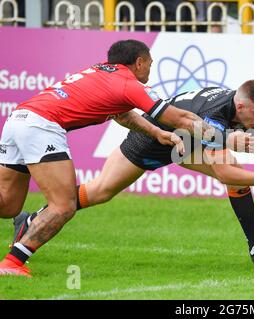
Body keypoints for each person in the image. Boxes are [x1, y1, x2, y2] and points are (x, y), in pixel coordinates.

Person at [10, 80, 254, 275]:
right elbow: (225, 173)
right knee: (101, 191)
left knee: (233, 170)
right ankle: (32, 218)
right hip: (151, 141)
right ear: (241, 107)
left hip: (185, 143)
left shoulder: (243, 112)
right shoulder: (217, 114)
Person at [0, 39, 222, 277]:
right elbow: (181, 119)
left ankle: (16, 252)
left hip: (18, 119)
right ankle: (13, 262)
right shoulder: (129, 83)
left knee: (8, 204)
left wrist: (157, 133)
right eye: (149, 63)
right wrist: (224, 138)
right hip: (40, 127)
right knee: (64, 205)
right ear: (139, 62)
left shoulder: (100, 71)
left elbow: (122, 115)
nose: (149, 68)